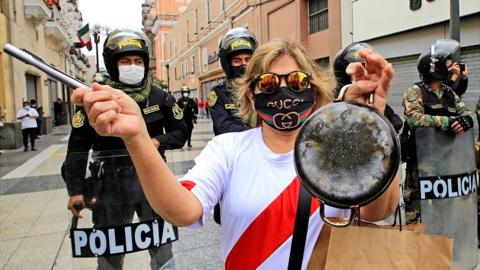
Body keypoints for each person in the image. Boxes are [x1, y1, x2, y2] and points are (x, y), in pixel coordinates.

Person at [71, 39, 399, 269]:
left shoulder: (338, 147)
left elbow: (377, 211)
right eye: (268, 83)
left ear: (314, 92)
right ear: (252, 97)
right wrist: (137, 137)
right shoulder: (228, 149)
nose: (284, 90)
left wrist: (372, 126)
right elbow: (183, 211)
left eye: (297, 81)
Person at [63, 28, 187, 270]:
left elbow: (181, 131)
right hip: (110, 185)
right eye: (126, 61)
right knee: (109, 252)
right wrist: (75, 190)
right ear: (113, 65)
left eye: (138, 61)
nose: (133, 66)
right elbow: (77, 148)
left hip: (152, 179)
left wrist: (157, 142)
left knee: (162, 246)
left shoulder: (159, 97)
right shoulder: (96, 100)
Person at [401, 42, 473, 224]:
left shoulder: (449, 92)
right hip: (421, 160)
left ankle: (441, 245)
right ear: (436, 68)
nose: (451, 68)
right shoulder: (415, 91)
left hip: (445, 158)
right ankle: (413, 248)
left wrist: (467, 120)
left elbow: (465, 112)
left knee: (445, 207)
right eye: (448, 64)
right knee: (414, 209)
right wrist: (449, 122)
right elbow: (415, 119)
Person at [333, 42, 403, 133]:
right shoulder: (331, 109)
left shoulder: (373, 99)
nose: (369, 76)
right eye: (361, 71)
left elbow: (396, 123)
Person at [208, 27, 257, 135]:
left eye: (248, 60)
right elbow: (224, 126)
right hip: (233, 148)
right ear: (228, 64)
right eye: (237, 61)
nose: (244, 64)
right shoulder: (219, 92)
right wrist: (257, 134)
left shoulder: (263, 87)